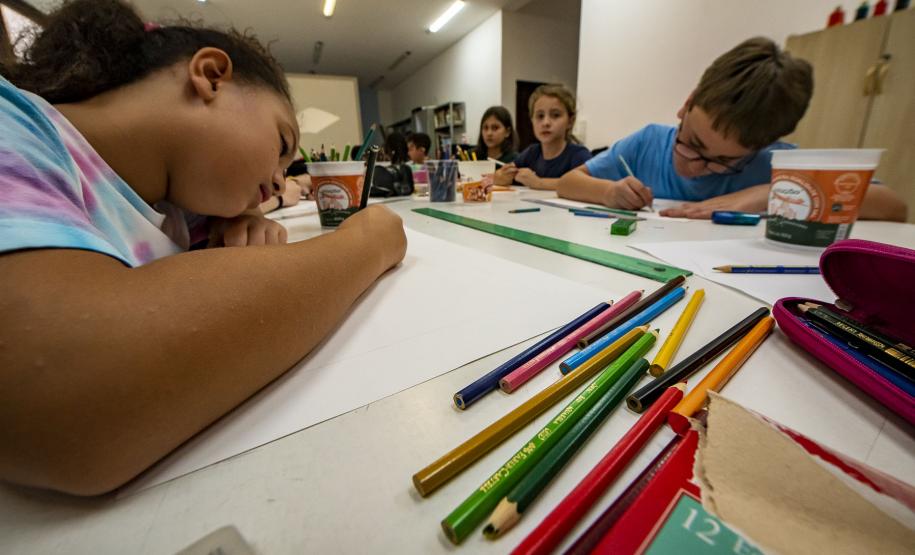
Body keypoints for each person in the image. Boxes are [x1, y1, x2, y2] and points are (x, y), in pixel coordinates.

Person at [0, 0, 406, 495]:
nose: (280, 181)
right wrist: (364, 245)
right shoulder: (14, 126)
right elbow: (65, 403)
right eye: (281, 145)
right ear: (211, 75)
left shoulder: (171, 207)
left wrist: (242, 221)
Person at [556, 37, 907, 221]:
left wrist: (762, 195)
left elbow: (893, 207)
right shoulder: (648, 141)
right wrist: (607, 193)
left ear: (760, 148)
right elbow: (568, 182)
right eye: (691, 142)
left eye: (721, 161)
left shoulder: (778, 166)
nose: (695, 165)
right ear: (687, 104)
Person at [501, 84, 591, 190]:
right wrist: (502, 177)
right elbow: (502, 174)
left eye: (555, 115)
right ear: (532, 121)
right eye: (540, 116)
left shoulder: (579, 155)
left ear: (570, 121)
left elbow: (586, 185)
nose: (546, 123)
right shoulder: (531, 153)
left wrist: (539, 183)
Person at [473, 106, 518, 185]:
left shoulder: (515, 160)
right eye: (485, 128)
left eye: (495, 128)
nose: (489, 133)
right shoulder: (471, 156)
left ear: (507, 132)